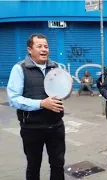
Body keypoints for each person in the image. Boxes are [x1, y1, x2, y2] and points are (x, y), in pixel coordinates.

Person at [7, 34, 66, 180]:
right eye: (39, 46)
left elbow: (60, 92)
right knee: (34, 166)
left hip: (56, 125)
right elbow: (13, 99)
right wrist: (41, 103)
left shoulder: (55, 67)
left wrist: (66, 89)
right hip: (32, 128)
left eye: (46, 46)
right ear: (30, 49)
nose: (44, 49)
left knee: (58, 165)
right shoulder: (19, 68)